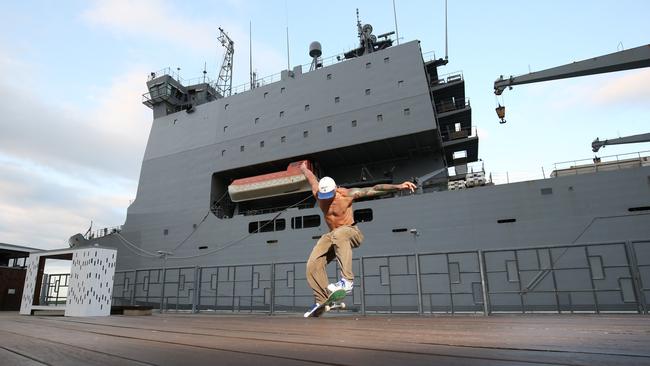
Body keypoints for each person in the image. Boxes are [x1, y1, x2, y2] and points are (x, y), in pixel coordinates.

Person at [299, 162, 416, 317]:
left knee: (339, 233)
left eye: (329, 196)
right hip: (333, 235)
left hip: (352, 232)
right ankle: (321, 300)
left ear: (335, 190)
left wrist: (399, 186)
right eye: (323, 196)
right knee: (312, 264)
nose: (325, 199)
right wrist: (303, 168)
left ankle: (347, 281)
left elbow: (374, 189)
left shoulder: (347, 194)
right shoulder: (317, 192)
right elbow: (311, 177)